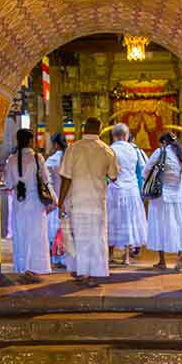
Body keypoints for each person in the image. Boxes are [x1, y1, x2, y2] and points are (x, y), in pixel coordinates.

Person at [57, 117, 119, 287]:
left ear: (84, 129)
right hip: (97, 202)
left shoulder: (73, 149)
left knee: (79, 237)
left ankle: (81, 272)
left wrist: (60, 202)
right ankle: (92, 274)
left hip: (77, 200)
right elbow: (114, 177)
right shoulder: (107, 151)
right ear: (100, 130)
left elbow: (66, 178)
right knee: (95, 238)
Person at [4, 128, 53, 283]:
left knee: (21, 235)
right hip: (36, 204)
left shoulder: (11, 159)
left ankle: (23, 267)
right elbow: (46, 180)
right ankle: (35, 268)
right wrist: (54, 200)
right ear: (31, 141)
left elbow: (8, 183)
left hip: (20, 203)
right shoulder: (38, 158)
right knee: (37, 236)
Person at [144, 132, 182, 271]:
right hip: (177, 198)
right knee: (179, 225)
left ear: (163, 143)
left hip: (160, 197)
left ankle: (162, 261)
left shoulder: (160, 153)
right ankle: (180, 255)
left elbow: (146, 171)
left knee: (160, 226)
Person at [107, 123, 148, 265]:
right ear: (126, 135)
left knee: (112, 222)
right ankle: (126, 257)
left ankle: (110, 255)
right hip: (131, 190)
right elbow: (142, 169)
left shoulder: (110, 150)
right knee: (129, 222)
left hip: (115, 189)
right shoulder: (134, 150)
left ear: (113, 136)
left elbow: (107, 171)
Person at [46, 133, 68, 268]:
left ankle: (56, 258)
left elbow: (47, 183)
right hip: (68, 200)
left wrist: (53, 200)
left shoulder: (51, 161)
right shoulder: (69, 159)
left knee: (53, 231)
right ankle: (66, 258)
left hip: (56, 201)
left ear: (55, 144)